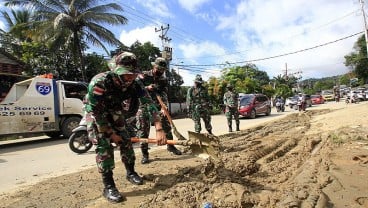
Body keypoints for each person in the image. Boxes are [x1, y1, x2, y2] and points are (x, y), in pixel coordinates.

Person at [84, 52, 167, 203]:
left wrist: (159, 127)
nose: (129, 78)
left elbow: (148, 103)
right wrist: (110, 133)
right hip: (97, 113)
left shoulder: (135, 84)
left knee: (126, 141)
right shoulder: (99, 82)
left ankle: (131, 172)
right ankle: (108, 186)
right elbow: (96, 112)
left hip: (115, 110)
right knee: (104, 145)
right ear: (116, 71)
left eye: (133, 74)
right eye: (125, 74)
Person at [136, 57, 182, 164]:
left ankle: (171, 146)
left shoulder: (163, 79)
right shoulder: (143, 75)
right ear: (154, 66)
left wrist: (163, 107)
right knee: (143, 130)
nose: (160, 71)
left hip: (157, 105)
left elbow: (164, 94)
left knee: (166, 126)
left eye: (162, 70)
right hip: (144, 105)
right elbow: (135, 88)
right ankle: (145, 154)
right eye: (158, 69)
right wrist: (147, 88)